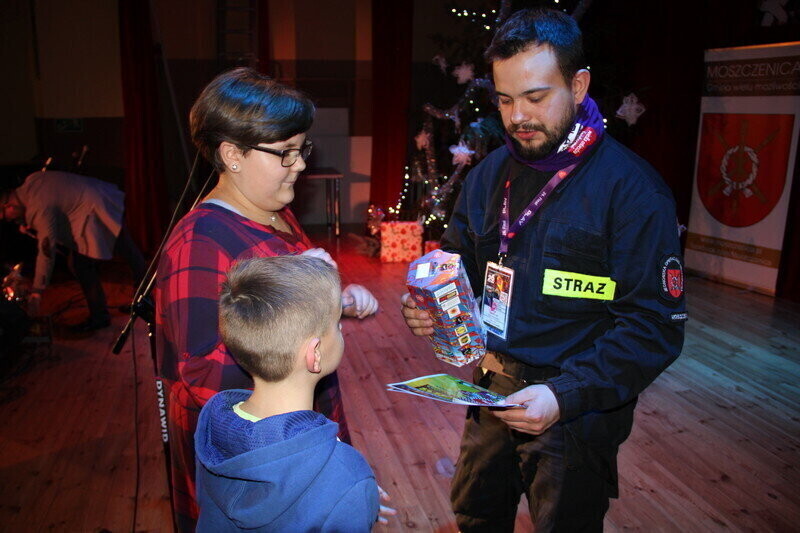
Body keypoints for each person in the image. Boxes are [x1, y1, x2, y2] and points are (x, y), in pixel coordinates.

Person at [401, 9, 686, 532]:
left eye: (535, 98)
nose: (516, 117)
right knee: (476, 515)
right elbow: (454, 259)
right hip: (489, 391)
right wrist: (430, 303)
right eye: (505, 100)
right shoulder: (488, 175)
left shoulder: (633, 192)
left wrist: (564, 395)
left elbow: (654, 329)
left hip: (574, 411)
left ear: (578, 86)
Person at [155, 67, 379, 531]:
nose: (299, 164)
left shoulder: (274, 214)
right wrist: (310, 473)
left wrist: (333, 300)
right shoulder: (202, 240)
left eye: (302, 150)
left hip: (295, 441)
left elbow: (285, 314)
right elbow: (200, 376)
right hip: (261, 470)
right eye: (286, 153)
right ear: (232, 154)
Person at [195, 255, 389, 532]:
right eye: (336, 324)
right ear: (315, 354)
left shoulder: (213, 420)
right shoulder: (347, 475)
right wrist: (352, 491)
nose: (342, 327)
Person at [0, 171, 146, 331]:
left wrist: (37, 290)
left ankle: (102, 316)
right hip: (99, 197)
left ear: (9, 206)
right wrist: (25, 220)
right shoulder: (32, 180)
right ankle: (143, 300)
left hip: (94, 208)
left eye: (6, 216)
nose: (9, 220)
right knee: (127, 251)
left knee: (83, 264)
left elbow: (47, 251)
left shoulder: (38, 208)